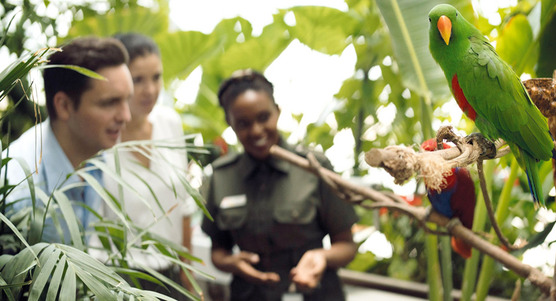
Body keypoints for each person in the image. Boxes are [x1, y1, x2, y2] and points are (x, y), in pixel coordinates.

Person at [200, 69, 358, 300]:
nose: (256, 130)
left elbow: (346, 245)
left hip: (315, 294)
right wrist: (233, 263)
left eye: (263, 117)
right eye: (243, 123)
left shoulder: (313, 168)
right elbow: (218, 251)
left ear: (277, 111)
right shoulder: (221, 176)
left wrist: (321, 257)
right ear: (230, 124)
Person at [4, 37, 132, 243]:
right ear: (64, 106)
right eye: (110, 103)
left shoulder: (98, 156)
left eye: (127, 100)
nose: (126, 116)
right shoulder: (18, 195)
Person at [100, 33, 193, 298]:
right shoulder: (101, 138)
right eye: (137, 79)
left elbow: (184, 203)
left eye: (156, 77)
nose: (150, 90)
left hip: (171, 276)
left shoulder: (170, 122)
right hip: (118, 280)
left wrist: (188, 271)